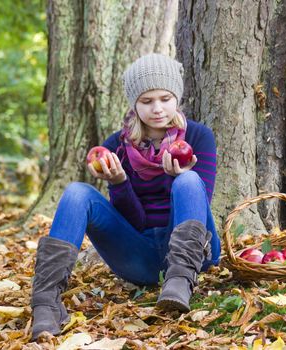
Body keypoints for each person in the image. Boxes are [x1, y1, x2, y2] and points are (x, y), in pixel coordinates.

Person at [30, 53, 220, 340]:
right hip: (139, 257)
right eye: (146, 101)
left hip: (193, 254)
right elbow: (136, 221)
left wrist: (177, 177)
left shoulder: (198, 136)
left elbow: (200, 204)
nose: (157, 109)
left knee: (190, 179)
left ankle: (180, 280)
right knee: (77, 192)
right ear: (134, 102)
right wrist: (119, 182)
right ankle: (45, 302)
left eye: (165, 98)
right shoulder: (116, 146)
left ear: (176, 98)